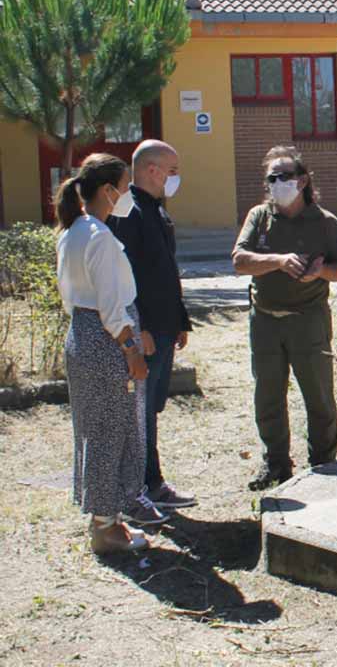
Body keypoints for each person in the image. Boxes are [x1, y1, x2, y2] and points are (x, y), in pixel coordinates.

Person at [232, 146, 337, 490]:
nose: (278, 183)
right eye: (272, 178)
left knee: (319, 395)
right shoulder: (259, 217)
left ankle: (323, 464)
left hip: (308, 320)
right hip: (265, 320)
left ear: (303, 180)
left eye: (285, 176)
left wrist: (321, 271)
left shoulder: (326, 223)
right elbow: (239, 260)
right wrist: (279, 261)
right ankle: (276, 463)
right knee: (267, 395)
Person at [55, 153, 150, 553]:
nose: (129, 194)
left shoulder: (72, 231)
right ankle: (105, 527)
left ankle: (109, 520)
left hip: (83, 336)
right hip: (109, 343)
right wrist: (132, 350)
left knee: (95, 430)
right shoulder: (100, 237)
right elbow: (111, 307)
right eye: (125, 187)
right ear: (109, 191)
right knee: (113, 432)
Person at [107, 140, 196, 520]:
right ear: (151, 170)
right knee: (140, 412)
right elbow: (125, 276)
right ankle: (145, 486)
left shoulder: (155, 209)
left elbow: (164, 270)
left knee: (151, 408)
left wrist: (179, 320)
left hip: (163, 328)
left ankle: (149, 483)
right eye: (172, 170)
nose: (176, 178)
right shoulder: (128, 211)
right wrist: (137, 326)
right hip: (145, 331)